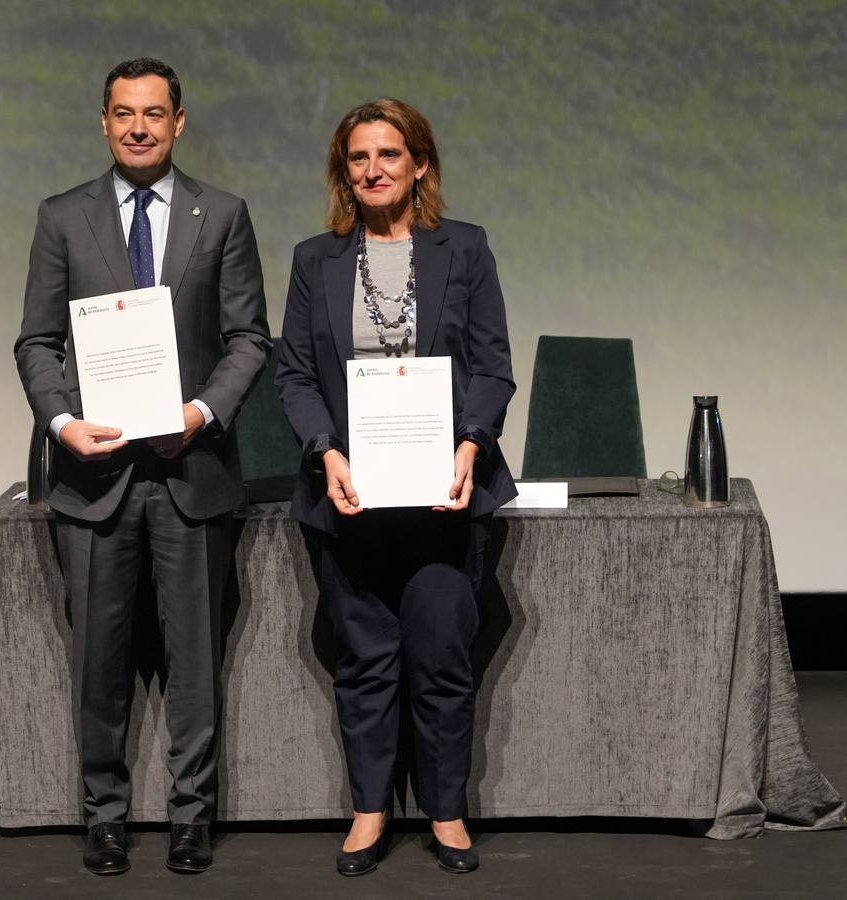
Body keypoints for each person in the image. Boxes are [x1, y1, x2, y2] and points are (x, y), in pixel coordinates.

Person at [14, 58, 270, 875]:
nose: (138, 127)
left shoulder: (221, 213)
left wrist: (198, 415)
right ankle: (104, 817)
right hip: (95, 478)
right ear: (102, 121)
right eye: (123, 113)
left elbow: (247, 340)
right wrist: (60, 422)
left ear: (179, 122)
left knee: (195, 663)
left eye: (154, 114)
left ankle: (193, 817)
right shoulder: (63, 217)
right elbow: (37, 342)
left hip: (191, 473)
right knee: (99, 662)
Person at [274, 98, 517, 876]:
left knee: (443, 658)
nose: (373, 170)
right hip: (353, 498)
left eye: (388, 154)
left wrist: (472, 443)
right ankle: (370, 810)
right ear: (343, 173)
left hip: (444, 497)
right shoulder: (316, 260)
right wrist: (325, 451)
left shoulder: (465, 250)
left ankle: (446, 813)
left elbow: (492, 366)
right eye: (358, 158)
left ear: (419, 163)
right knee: (364, 662)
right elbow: (296, 375)